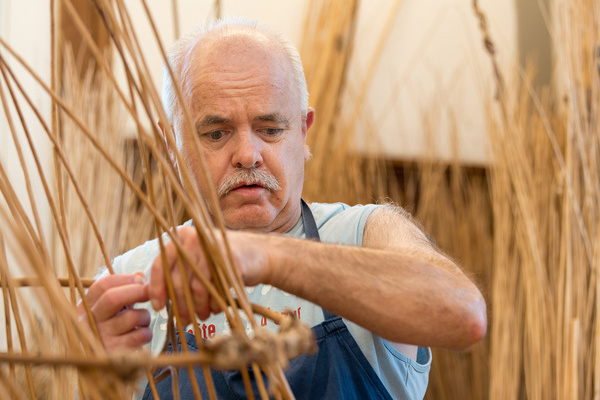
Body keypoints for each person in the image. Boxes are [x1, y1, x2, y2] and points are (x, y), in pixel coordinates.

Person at [79, 17, 487, 400]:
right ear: (170, 146)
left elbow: (463, 315)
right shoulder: (129, 286)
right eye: (216, 133)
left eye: (270, 130)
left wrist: (266, 255)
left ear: (304, 132)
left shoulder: (366, 234)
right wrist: (96, 381)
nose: (247, 154)